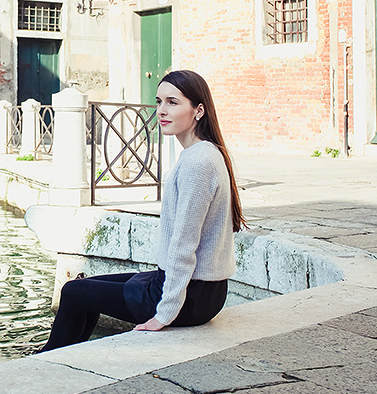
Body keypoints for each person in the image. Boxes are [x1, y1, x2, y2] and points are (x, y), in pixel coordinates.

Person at [39, 69, 246, 352]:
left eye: (173, 102)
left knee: (74, 292)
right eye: (159, 101)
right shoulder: (206, 153)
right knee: (87, 285)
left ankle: (48, 360)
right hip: (204, 291)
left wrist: (164, 314)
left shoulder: (198, 163)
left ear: (199, 110)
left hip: (192, 298)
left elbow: (184, 245)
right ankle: (64, 355)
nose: (161, 110)